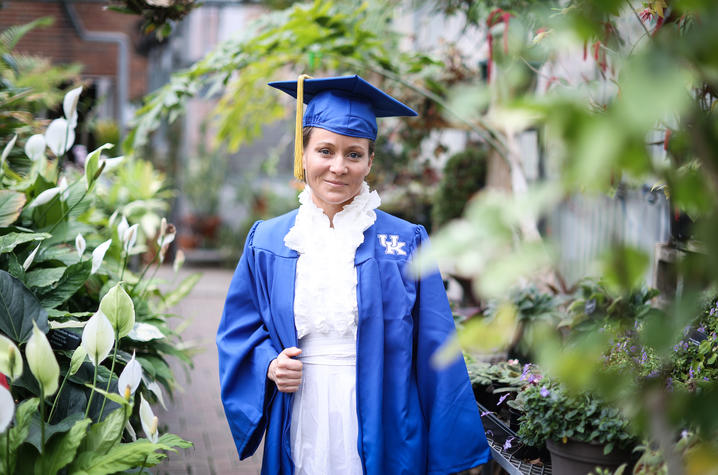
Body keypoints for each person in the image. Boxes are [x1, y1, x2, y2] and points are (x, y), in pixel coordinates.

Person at [217, 74, 490, 475]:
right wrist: (270, 366)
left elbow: (437, 347)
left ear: (370, 161)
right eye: (325, 151)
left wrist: (451, 450)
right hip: (302, 408)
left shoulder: (405, 243)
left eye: (354, 154)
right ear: (303, 153)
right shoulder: (270, 241)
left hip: (386, 417)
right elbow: (239, 330)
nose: (338, 167)